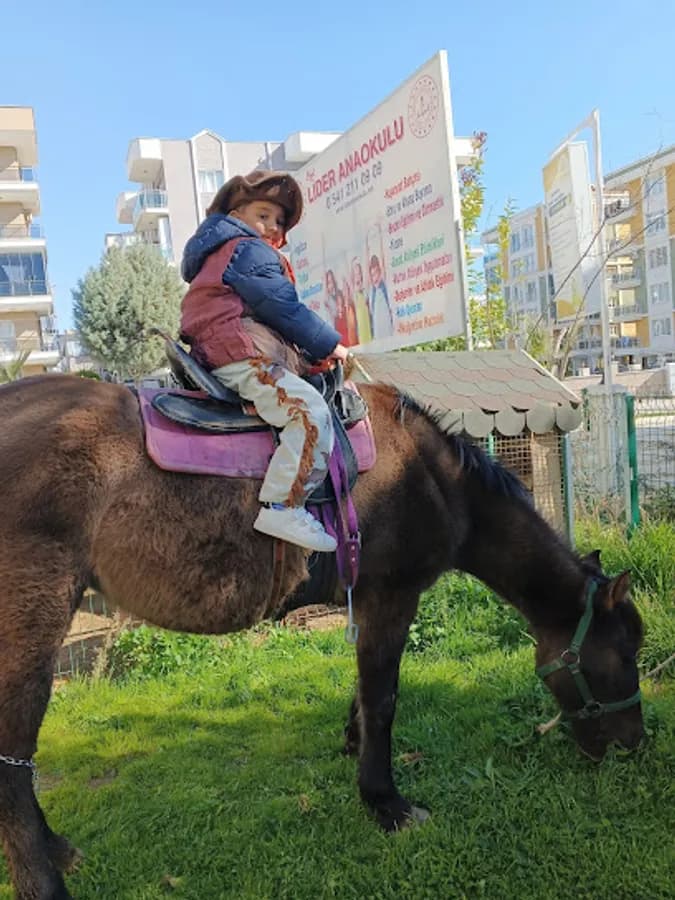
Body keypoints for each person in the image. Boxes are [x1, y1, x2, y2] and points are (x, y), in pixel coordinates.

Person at [179, 170, 349, 553]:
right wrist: (329, 345)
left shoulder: (218, 253)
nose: (272, 226)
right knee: (310, 413)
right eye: (263, 214)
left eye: (278, 221)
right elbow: (282, 308)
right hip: (238, 351)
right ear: (235, 214)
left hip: (222, 347)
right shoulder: (247, 250)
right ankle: (283, 506)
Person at [368, 254, 394, 339]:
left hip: (386, 321)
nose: (375, 277)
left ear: (380, 272)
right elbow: (372, 311)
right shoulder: (372, 291)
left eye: (376, 273)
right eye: (372, 275)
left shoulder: (384, 286)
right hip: (378, 324)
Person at [351, 258, 372, 344]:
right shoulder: (354, 292)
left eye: (359, 273)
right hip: (360, 326)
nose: (357, 276)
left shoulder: (365, 288)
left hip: (368, 324)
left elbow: (367, 273)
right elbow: (350, 278)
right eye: (355, 274)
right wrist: (352, 263)